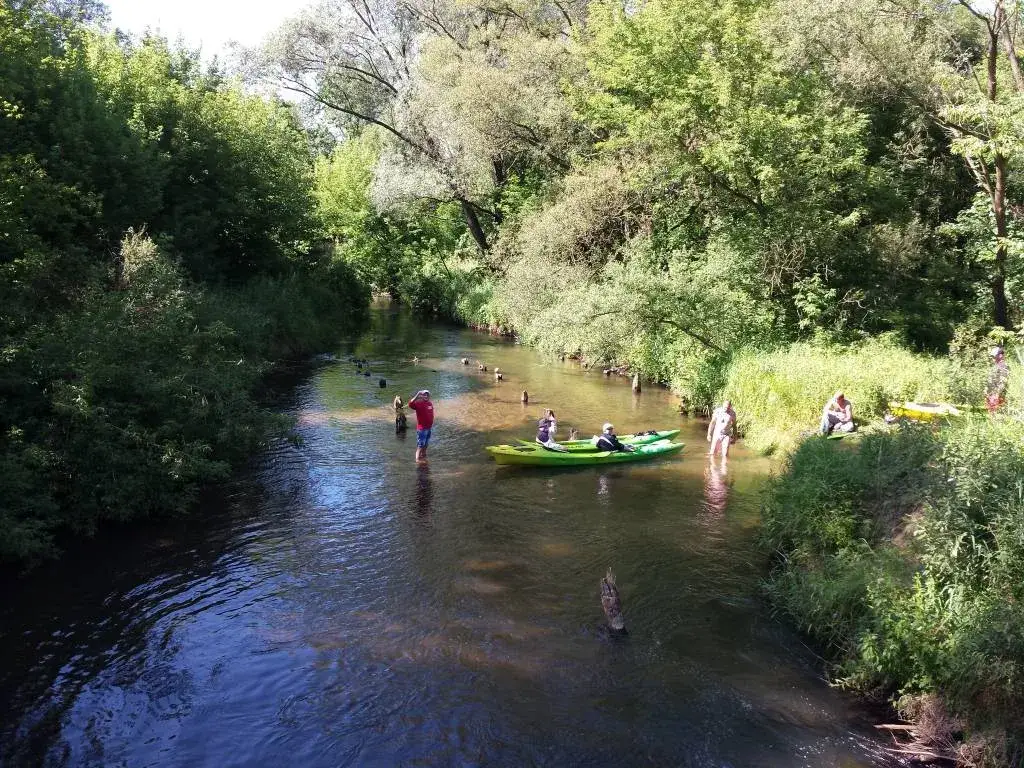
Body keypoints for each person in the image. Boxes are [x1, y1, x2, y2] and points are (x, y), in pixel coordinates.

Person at [408, 390, 434, 462]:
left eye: (427, 395)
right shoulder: (419, 404)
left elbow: (431, 414)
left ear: (429, 396)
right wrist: (417, 394)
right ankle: (417, 461)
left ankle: (424, 457)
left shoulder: (430, 404)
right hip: (422, 429)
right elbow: (410, 404)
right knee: (420, 446)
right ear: (422, 396)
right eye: (424, 395)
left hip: (428, 428)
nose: (426, 396)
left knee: (426, 445)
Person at [986, 346, 1009, 414]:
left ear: (1000, 355)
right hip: (992, 393)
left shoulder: (1003, 366)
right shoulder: (997, 365)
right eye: (992, 356)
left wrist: (997, 394)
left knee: (996, 414)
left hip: (997, 394)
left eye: (994, 356)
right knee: (992, 413)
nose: (993, 358)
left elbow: (1003, 381)